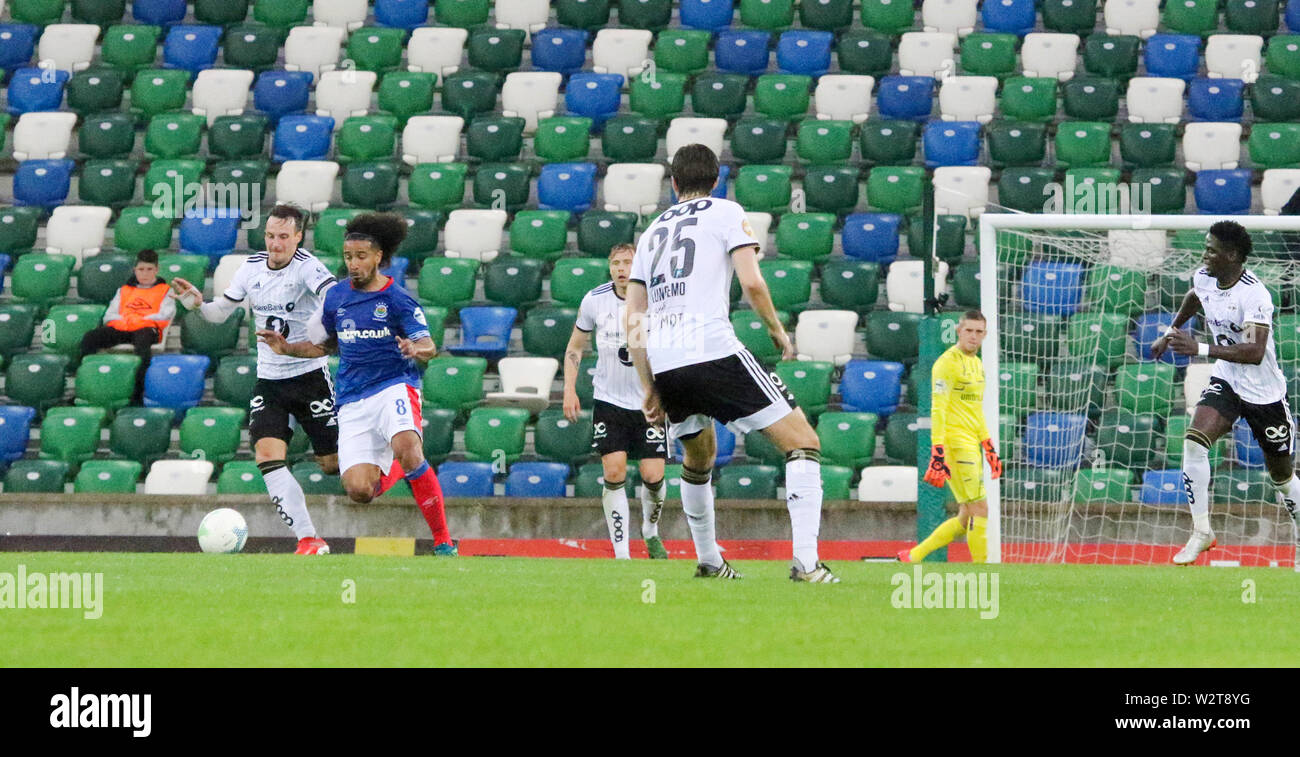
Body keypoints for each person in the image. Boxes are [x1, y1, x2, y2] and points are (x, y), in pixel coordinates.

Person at [624, 143, 839, 583]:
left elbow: (633, 316)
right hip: (711, 348)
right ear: (717, 179)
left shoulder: (651, 233)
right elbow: (753, 282)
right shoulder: (725, 211)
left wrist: (649, 385)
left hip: (665, 360)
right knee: (803, 442)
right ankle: (806, 563)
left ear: (674, 184)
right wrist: (777, 331)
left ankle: (709, 560)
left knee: (699, 456)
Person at [258, 211, 457, 557]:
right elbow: (326, 345)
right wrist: (287, 347)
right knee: (359, 490)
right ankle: (397, 467)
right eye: (348, 257)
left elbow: (429, 345)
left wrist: (414, 348)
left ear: (378, 257)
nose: (353, 264)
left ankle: (442, 541)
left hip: (394, 385)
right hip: (351, 398)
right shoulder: (336, 297)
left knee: (409, 446)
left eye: (361, 256)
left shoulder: (397, 300)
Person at [170, 204, 337, 556]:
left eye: (283, 237)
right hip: (270, 381)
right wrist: (197, 304)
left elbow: (335, 299)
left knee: (333, 466)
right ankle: (309, 539)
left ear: (298, 237)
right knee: (266, 455)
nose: (275, 244)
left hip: (309, 378)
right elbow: (219, 314)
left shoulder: (309, 268)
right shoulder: (250, 268)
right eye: (270, 236)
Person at [1151, 220, 1300, 566]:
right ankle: (1202, 531)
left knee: (1282, 477)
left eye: (1211, 250)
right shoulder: (1205, 277)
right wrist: (1171, 331)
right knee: (1193, 442)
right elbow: (1195, 297)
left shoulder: (1254, 295)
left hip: (1265, 394)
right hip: (1227, 380)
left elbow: (1254, 352)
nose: (1205, 254)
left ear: (1232, 255)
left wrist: (1199, 348)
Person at [562, 243, 670, 560]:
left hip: (648, 402)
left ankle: (650, 531)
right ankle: (622, 554)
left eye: (627, 262)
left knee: (653, 475)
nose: (621, 268)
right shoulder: (594, 300)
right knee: (614, 472)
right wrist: (569, 388)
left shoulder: (656, 299)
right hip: (609, 401)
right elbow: (575, 347)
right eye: (615, 263)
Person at [900, 311, 1003, 564]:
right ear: (959, 331)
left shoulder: (977, 364)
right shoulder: (946, 363)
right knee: (980, 509)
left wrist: (988, 445)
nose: (974, 336)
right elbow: (938, 408)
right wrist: (937, 450)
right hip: (956, 446)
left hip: (971, 444)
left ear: (985, 335)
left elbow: (975, 410)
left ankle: (914, 556)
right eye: (969, 331)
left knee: (965, 516)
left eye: (979, 332)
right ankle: (984, 571)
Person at [79, 249, 175, 405]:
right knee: (90, 338)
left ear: (156, 270)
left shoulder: (166, 291)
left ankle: (137, 394)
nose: (145, 274)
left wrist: (138, 320)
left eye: (149, 269)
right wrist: (128, 321)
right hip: (123, 327)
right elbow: (109, 316)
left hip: (147, 329)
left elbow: (165, 314)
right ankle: (84, 387)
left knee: (143, 345)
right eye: (141, 269)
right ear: (134, 270)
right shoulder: (123, 291)